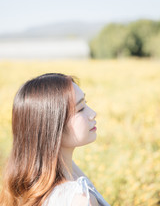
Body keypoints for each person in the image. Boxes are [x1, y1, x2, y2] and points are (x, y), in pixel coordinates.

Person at [0, 73, 111, 206]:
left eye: (85, 103)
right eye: (80, 109)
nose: (93, 114)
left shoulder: (28, 188)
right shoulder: (79, 199)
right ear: (51, 126)